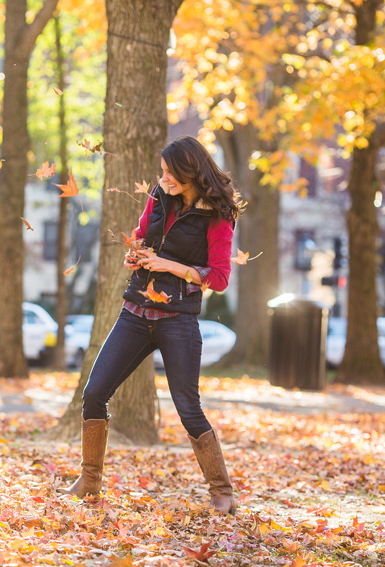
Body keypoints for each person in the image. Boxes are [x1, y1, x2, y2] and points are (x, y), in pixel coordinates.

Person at [60, 136, 244, 514]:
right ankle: (90, 478)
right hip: (136, 312)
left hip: (178, 320)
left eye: (170, 173)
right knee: (94, 392)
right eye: (161, 172)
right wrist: (138, 254)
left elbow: (220, 277)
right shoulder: (160, 195)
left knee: (188, 407)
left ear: (191, 172)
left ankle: (222, 491)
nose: (164, 179)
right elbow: (142, 233)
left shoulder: (217, 215)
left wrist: (170, 266)